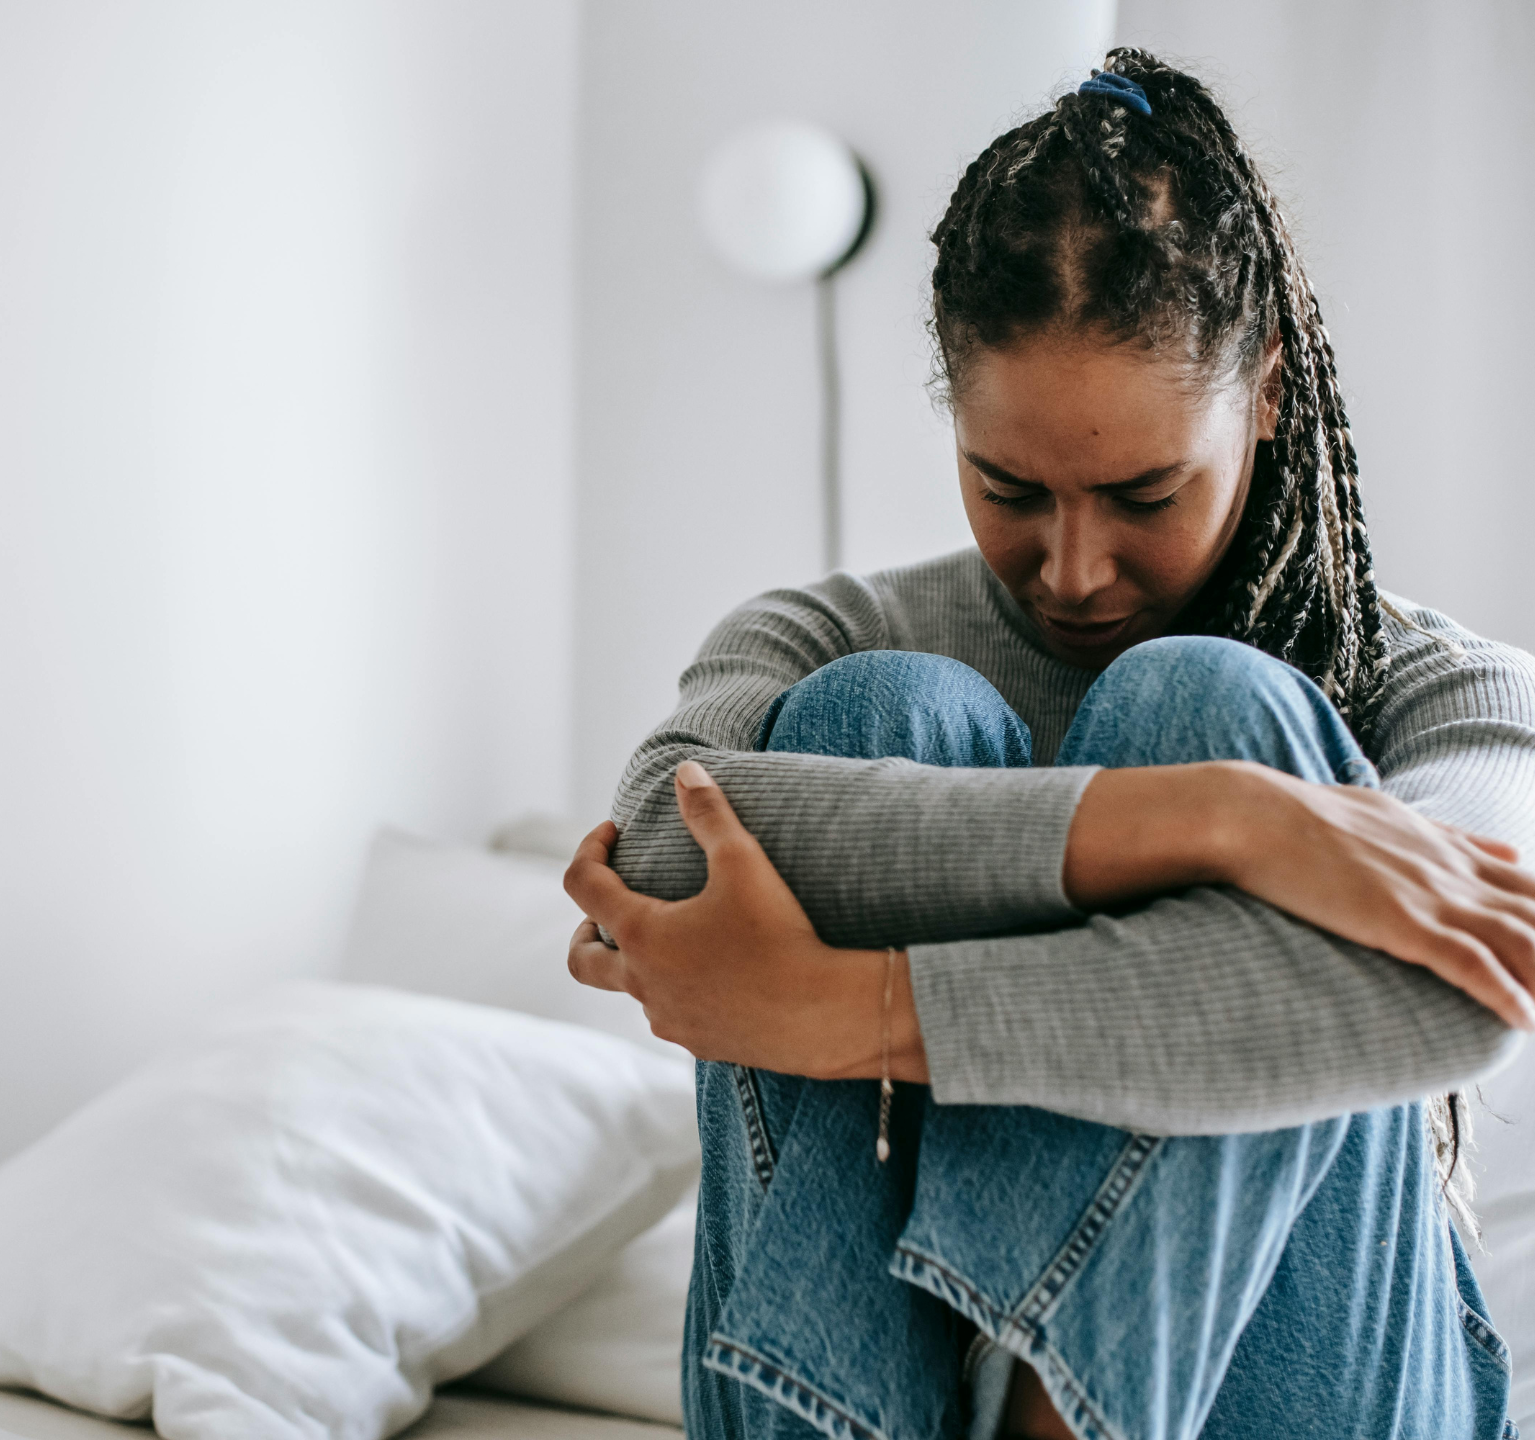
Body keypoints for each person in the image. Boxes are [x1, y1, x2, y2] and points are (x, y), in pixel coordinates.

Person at [562, 50, 1535, 1440]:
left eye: (1147, 491)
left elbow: (1468, 991)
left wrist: (856, 1013)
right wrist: (1228, 823)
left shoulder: (1441, 687)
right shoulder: (819, 633)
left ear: (1264, 392)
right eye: (1008, 486)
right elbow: (659, 845)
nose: (1074, 570)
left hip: (1301, 1391)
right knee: (873, 718)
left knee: (1219, 700)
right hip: (869, 1388)